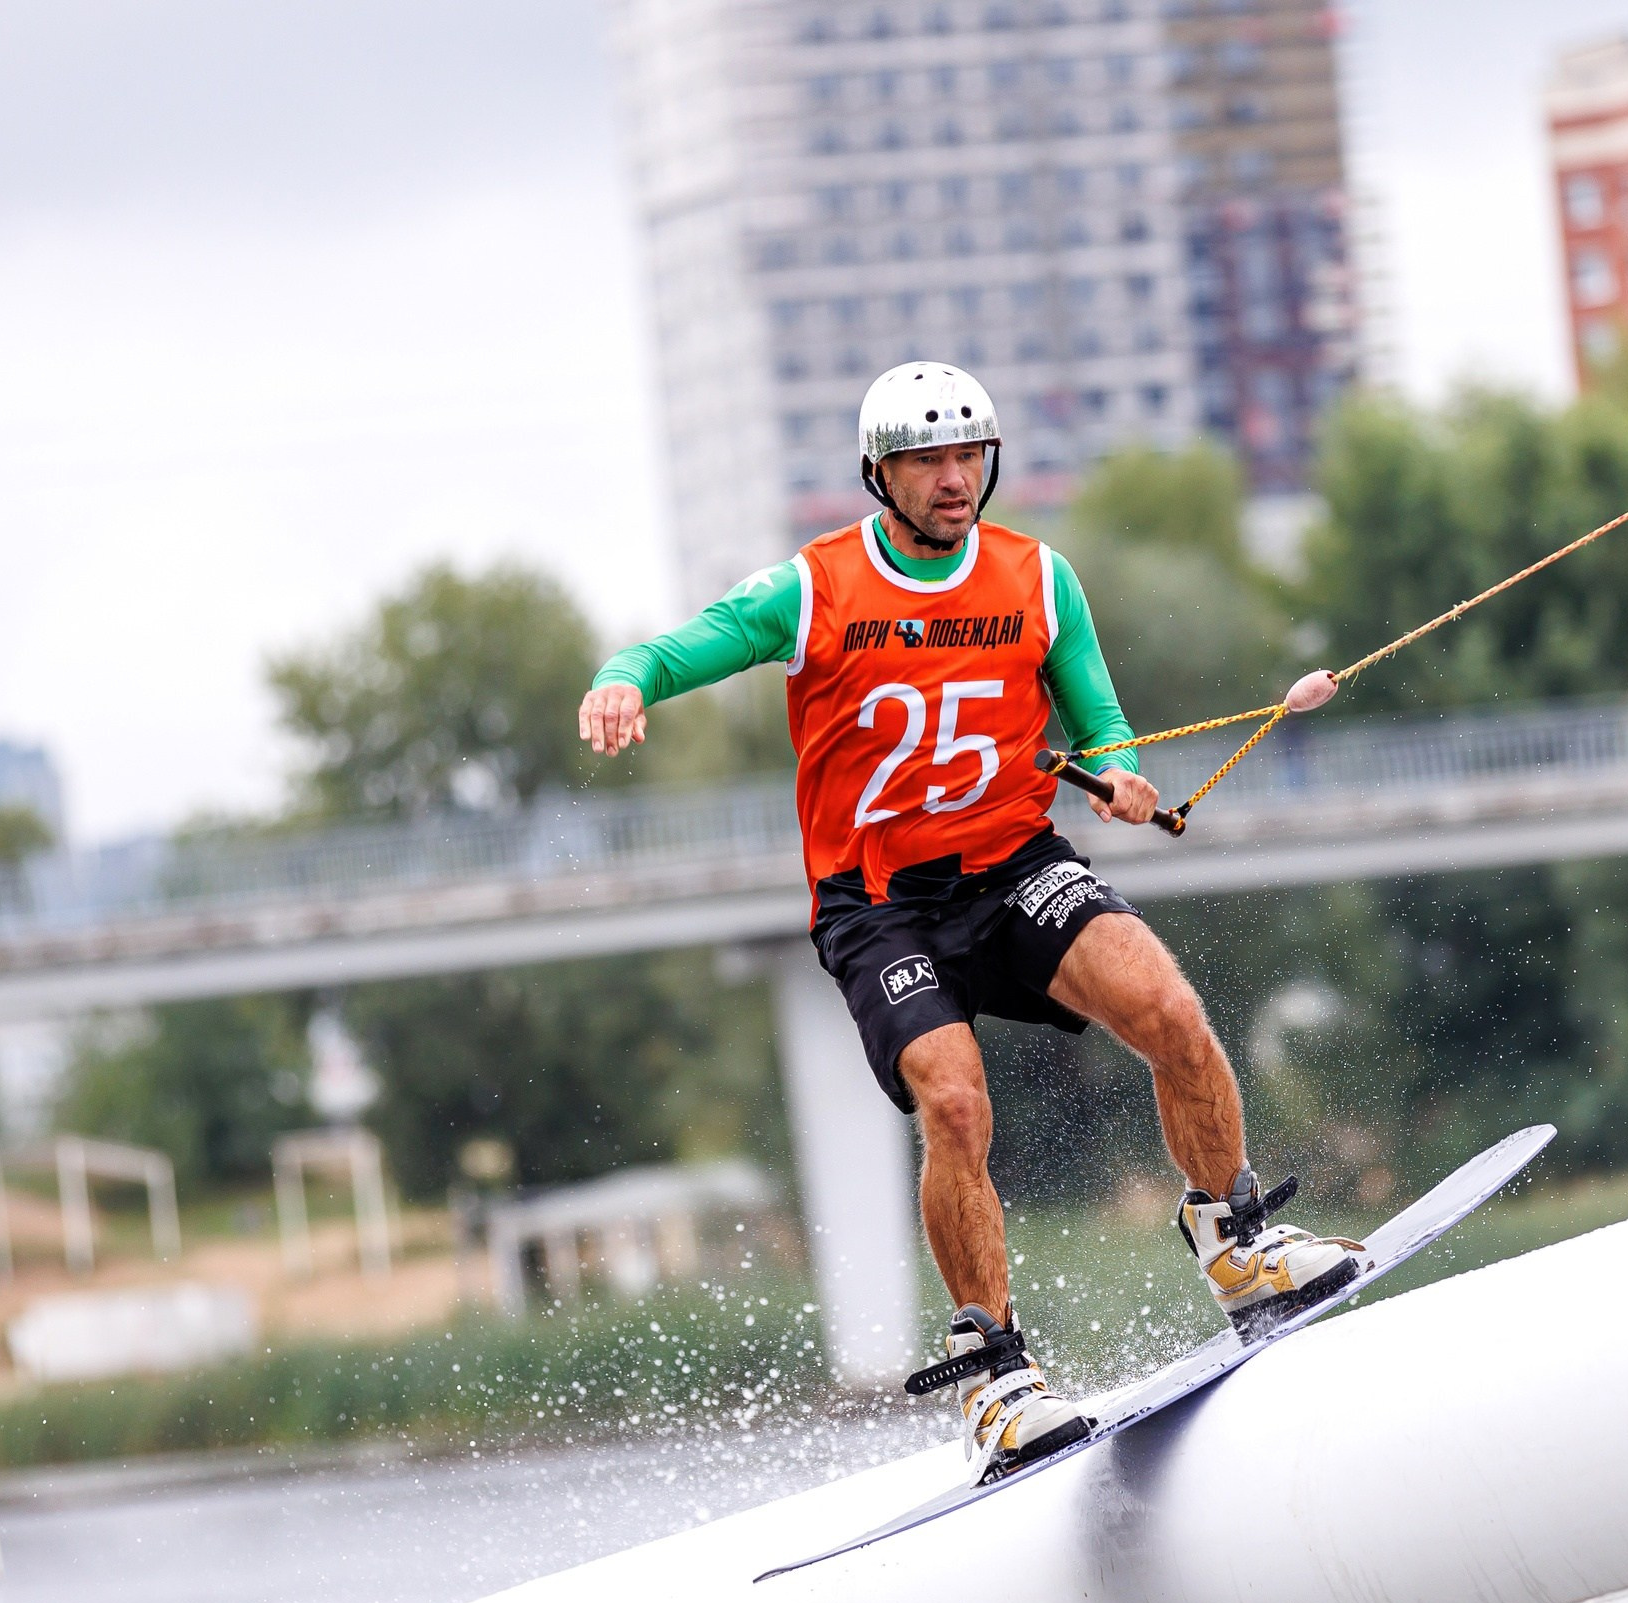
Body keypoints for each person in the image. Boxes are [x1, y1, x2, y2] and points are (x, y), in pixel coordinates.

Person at [577, 363, 1357, 1483]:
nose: (954, 480)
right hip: (879, 903)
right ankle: (995, 1376)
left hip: (1013, 865)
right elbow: (667, 650)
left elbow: (1098, 718)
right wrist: (620, 684)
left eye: (969, 457)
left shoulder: (1038, 578)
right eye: (929, 460)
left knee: (1169, 1010)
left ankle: (1233, 1238)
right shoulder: (814, 589)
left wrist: (1124, 774)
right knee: (952, 1097)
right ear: (879, 470)